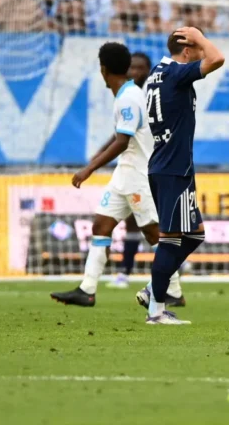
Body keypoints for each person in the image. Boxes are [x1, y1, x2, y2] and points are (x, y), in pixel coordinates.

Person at [50, 43, 160, 307]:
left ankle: (168, 288)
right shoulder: (125, 94)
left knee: (155, 234)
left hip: (138, 174)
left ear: (103, 69)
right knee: (101, 226)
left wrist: (88, 168)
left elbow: (122, 141)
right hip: (125, 173)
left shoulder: (129, 98)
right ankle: (87, 290)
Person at [139, 27, 225, 325]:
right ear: (186, 51)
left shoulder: (156, 72)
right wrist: (200, 37)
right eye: (196, 48)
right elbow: (218, 59)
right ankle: (156, 311)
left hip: (170, 165)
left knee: (195, 233)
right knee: (170, 240)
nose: (201, 52)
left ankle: (153, 288)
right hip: (172, 168)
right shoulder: (176, 72)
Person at [108, 52, 187, 307]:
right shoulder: (130, 96)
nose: (136, 72)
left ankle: (167, 284)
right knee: (135, 225)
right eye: (132, 67)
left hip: (153, 168)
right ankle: (127, 274)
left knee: (157, 229)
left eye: (141, 67)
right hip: (135, 169)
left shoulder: (150, 95)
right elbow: (123, 134)